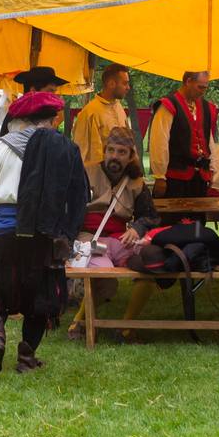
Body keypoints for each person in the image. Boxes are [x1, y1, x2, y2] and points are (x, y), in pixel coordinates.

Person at [0, 91, 88, 375]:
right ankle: (27, 358)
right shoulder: (65, 149)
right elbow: (77, 194)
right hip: (44, 234)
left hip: (4, 231)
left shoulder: (2, 147)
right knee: (39, 295)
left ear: (20, 120)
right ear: (52, 120)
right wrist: (68, 233)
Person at [79, 127, 160, 305]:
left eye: (122, 152)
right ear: (105, 150)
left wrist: (137, 229)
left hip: (120, 240)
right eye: (111, 150)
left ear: (131, 156)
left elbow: (150, 216)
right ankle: (81, 321)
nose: (115, 156)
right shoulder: (85, 174)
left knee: (152, 263)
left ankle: (127, 328)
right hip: (89, 238)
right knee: (104, 274)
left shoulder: (136, 183)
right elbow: (69, 209)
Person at [147, 71, 217, 198]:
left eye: (205, 88)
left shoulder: (206, 107)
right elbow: (159, 141)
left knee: (197, 216)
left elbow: (208, 139)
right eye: (200, 87)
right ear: (188, 81)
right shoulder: (168, 105)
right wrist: (160, 176)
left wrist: (212, 169)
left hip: (200, 177)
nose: (203, 92)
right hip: (175, 176)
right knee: (176, 217)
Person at [72, 64, 132, 165]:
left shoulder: (119, 108)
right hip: (97, 177)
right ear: (111, 84)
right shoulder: (90, 113)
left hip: (119, 175)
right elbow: (80, 152)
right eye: (125, 83)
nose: (128, 88)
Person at [1, 65, 69, 135]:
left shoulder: (42, 114)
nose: (54, 96)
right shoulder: (18, 116)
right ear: (33, 91)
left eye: (54, 92)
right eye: (50, 91)